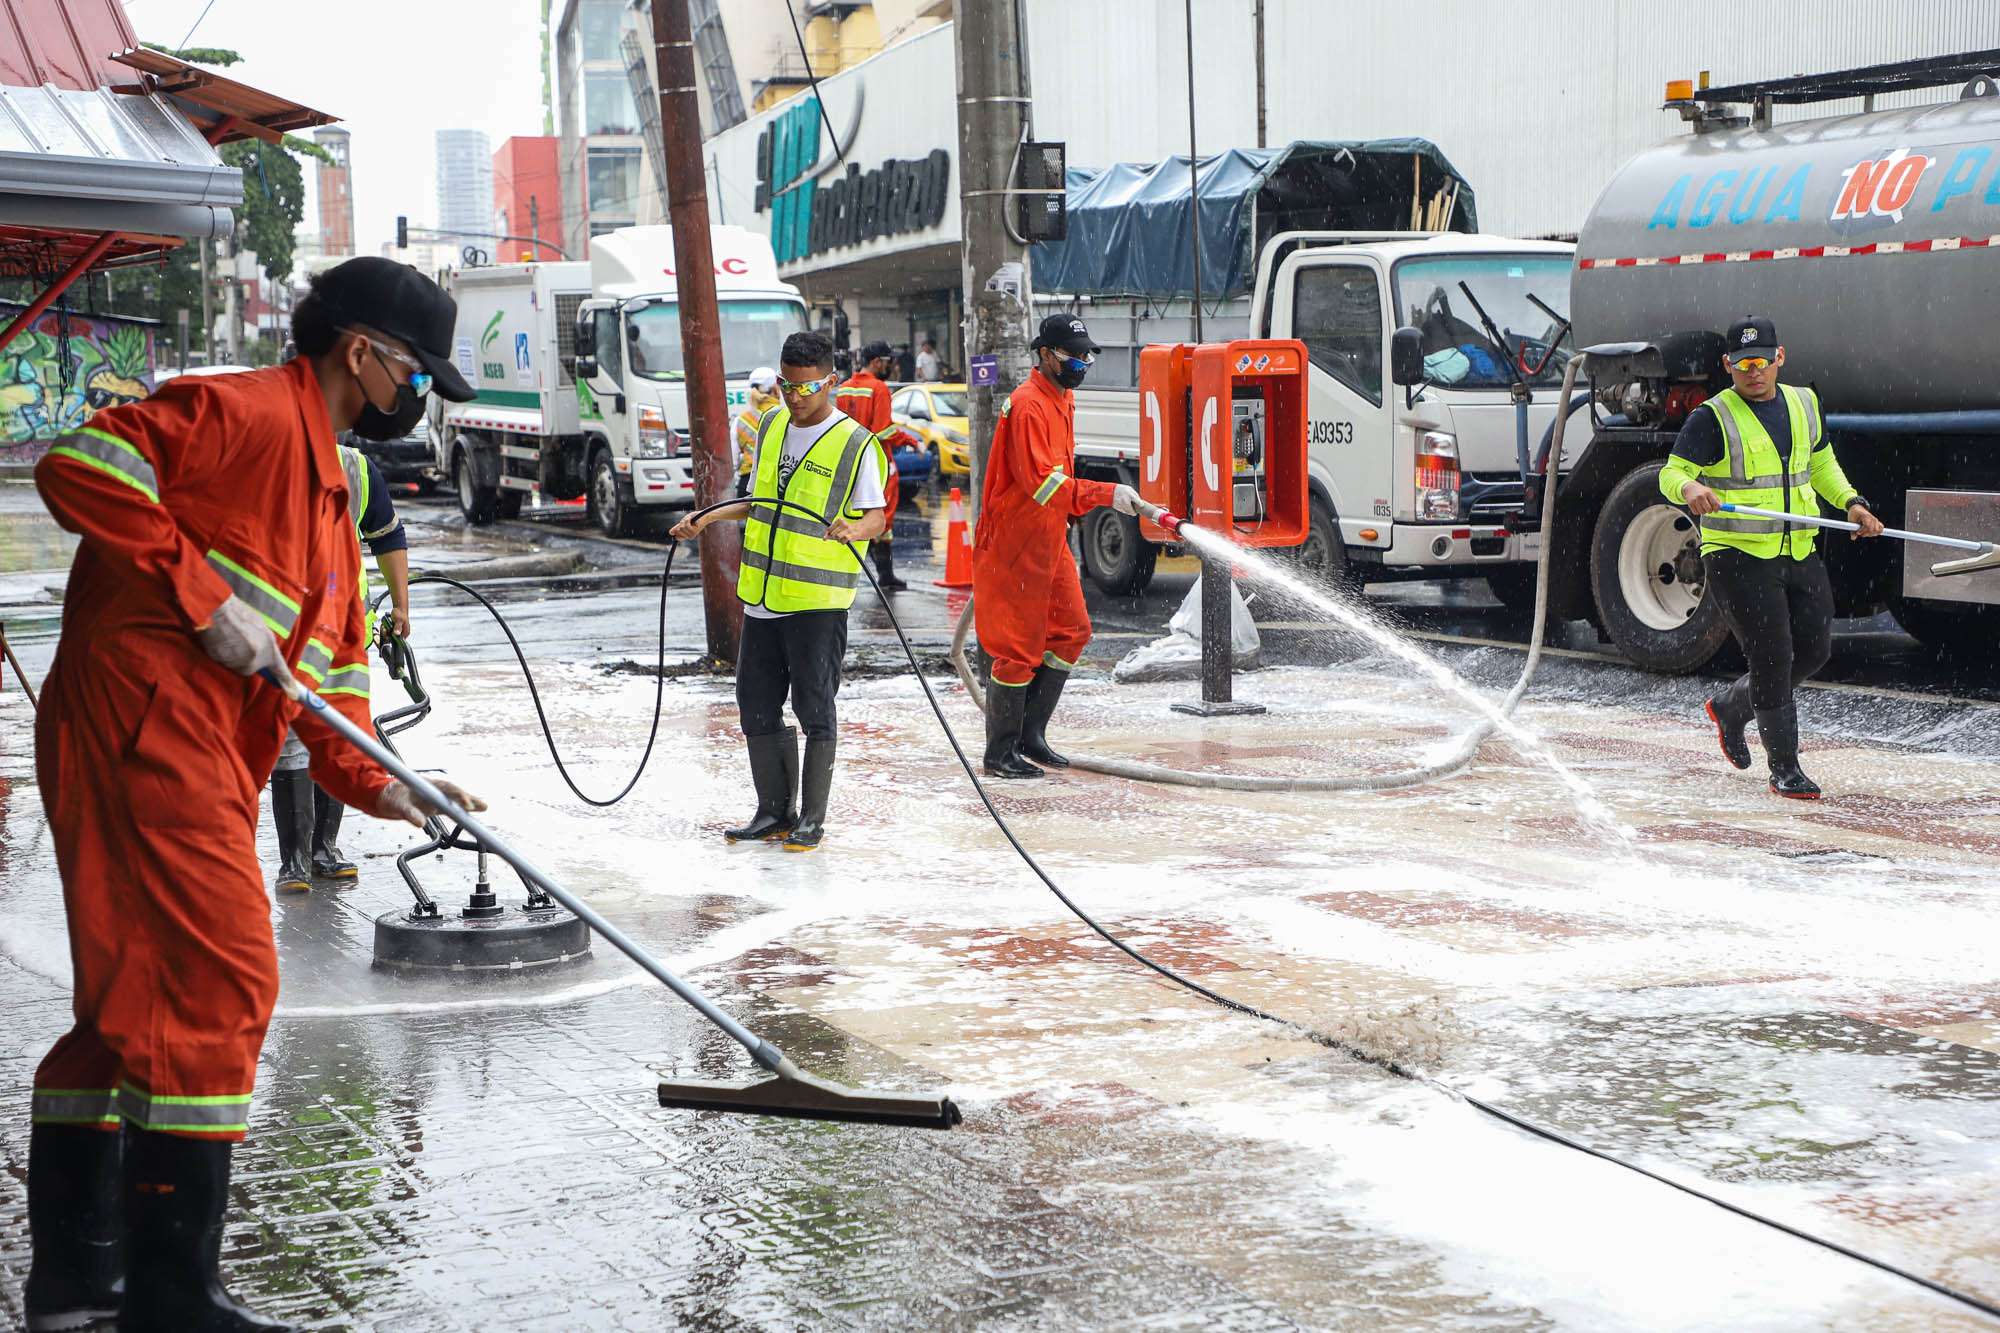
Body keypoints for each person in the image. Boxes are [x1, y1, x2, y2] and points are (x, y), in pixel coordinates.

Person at [25, 255, 485, 1332]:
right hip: (147, 722)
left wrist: (396, 788)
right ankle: (175, 1297)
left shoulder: (334, 494)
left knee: (131, 1005)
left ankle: (79, 1285)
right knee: (225, 974)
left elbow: (328, 691)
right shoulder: (245, 412)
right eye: (415, 370)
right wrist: (196, 597)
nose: (418, 395)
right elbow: (79, 464)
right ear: (361, 353)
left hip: (203, 752)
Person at [670, 331, 890, 852]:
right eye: (786, 385)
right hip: (764, 598)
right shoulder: (771, 426)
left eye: (805, 388)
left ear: (830, 382)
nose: (793, 396)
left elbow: (878, 517)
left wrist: (852, 528)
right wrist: (704, 519)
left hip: (817, 602)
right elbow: (756, 501)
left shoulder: (855, 442)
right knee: (756, 706)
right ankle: (773, 811)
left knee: (815, 710)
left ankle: (811, 818)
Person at [1661, 315, 1883, 799]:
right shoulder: (1713, 417)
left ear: (1779, 358)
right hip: (1737, 554)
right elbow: (1670, 475)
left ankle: (1732, 707)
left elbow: (1820, 463)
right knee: (1772, 656)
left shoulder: (1804, 404)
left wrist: (1852, 503)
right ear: (1728, 365)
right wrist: (1690, 486)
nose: (1753, 372)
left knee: (1815, 650)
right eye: (1742, 365)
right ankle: (1784, 767)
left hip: (1797, 547)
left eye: (1761, 362)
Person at [972, 314, 1142, 779]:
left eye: (1086, 355)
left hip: (1048, 536)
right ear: (1045, 354)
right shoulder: (1028, 405)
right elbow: (1042, 483)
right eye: (1073, 355)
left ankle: (1030, 734)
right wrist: (1104, 494)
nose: (1082, 363)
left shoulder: (1061, 398)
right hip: (1017, 542)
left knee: (1072, 630)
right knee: (1017, 650)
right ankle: (1000, 752)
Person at [267, 440, 412, 892]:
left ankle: (323, 851)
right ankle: (294, 860)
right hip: (284, 629)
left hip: (343, 633)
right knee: (293, 739)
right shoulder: (263, 462)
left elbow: (387, 534)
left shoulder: (356, 468)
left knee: (341, 733)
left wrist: (401, 606)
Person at [833, 340, 911, 590]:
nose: (892, 367)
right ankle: (885, 574)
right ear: (877, 362)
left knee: (855, 513)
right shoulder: (878, 388)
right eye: (888, 362)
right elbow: (882, 430)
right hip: (877, 460)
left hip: (850, 458)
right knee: (882, 516)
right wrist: (906, 438)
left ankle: (861, 572)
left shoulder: (844, 389)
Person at [733, 366, 780, 498]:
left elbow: (733, 460)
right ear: (776, 388)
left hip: (747, 483)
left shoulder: (740, 420)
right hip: (775, 482)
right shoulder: (785, 416)